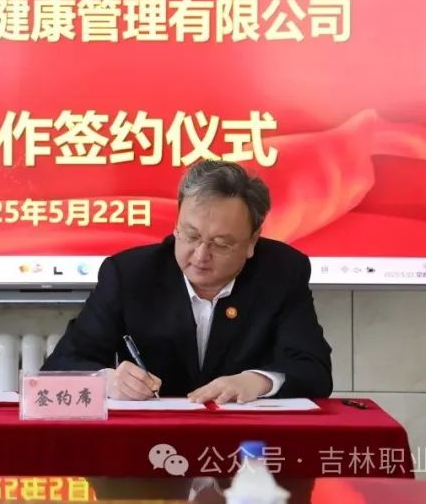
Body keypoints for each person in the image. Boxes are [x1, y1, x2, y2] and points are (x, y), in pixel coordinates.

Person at [42, 160, 332, 402]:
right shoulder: (129, 274)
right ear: (176, 224)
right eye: (191, 236)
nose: (201, 255)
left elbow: (314, 370)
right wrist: (108, 381)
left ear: (252, 241)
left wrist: (257, 382)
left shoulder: (281, 272)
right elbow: (59, 368)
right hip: (151, 441)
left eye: (221, 243)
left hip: (248, 441)